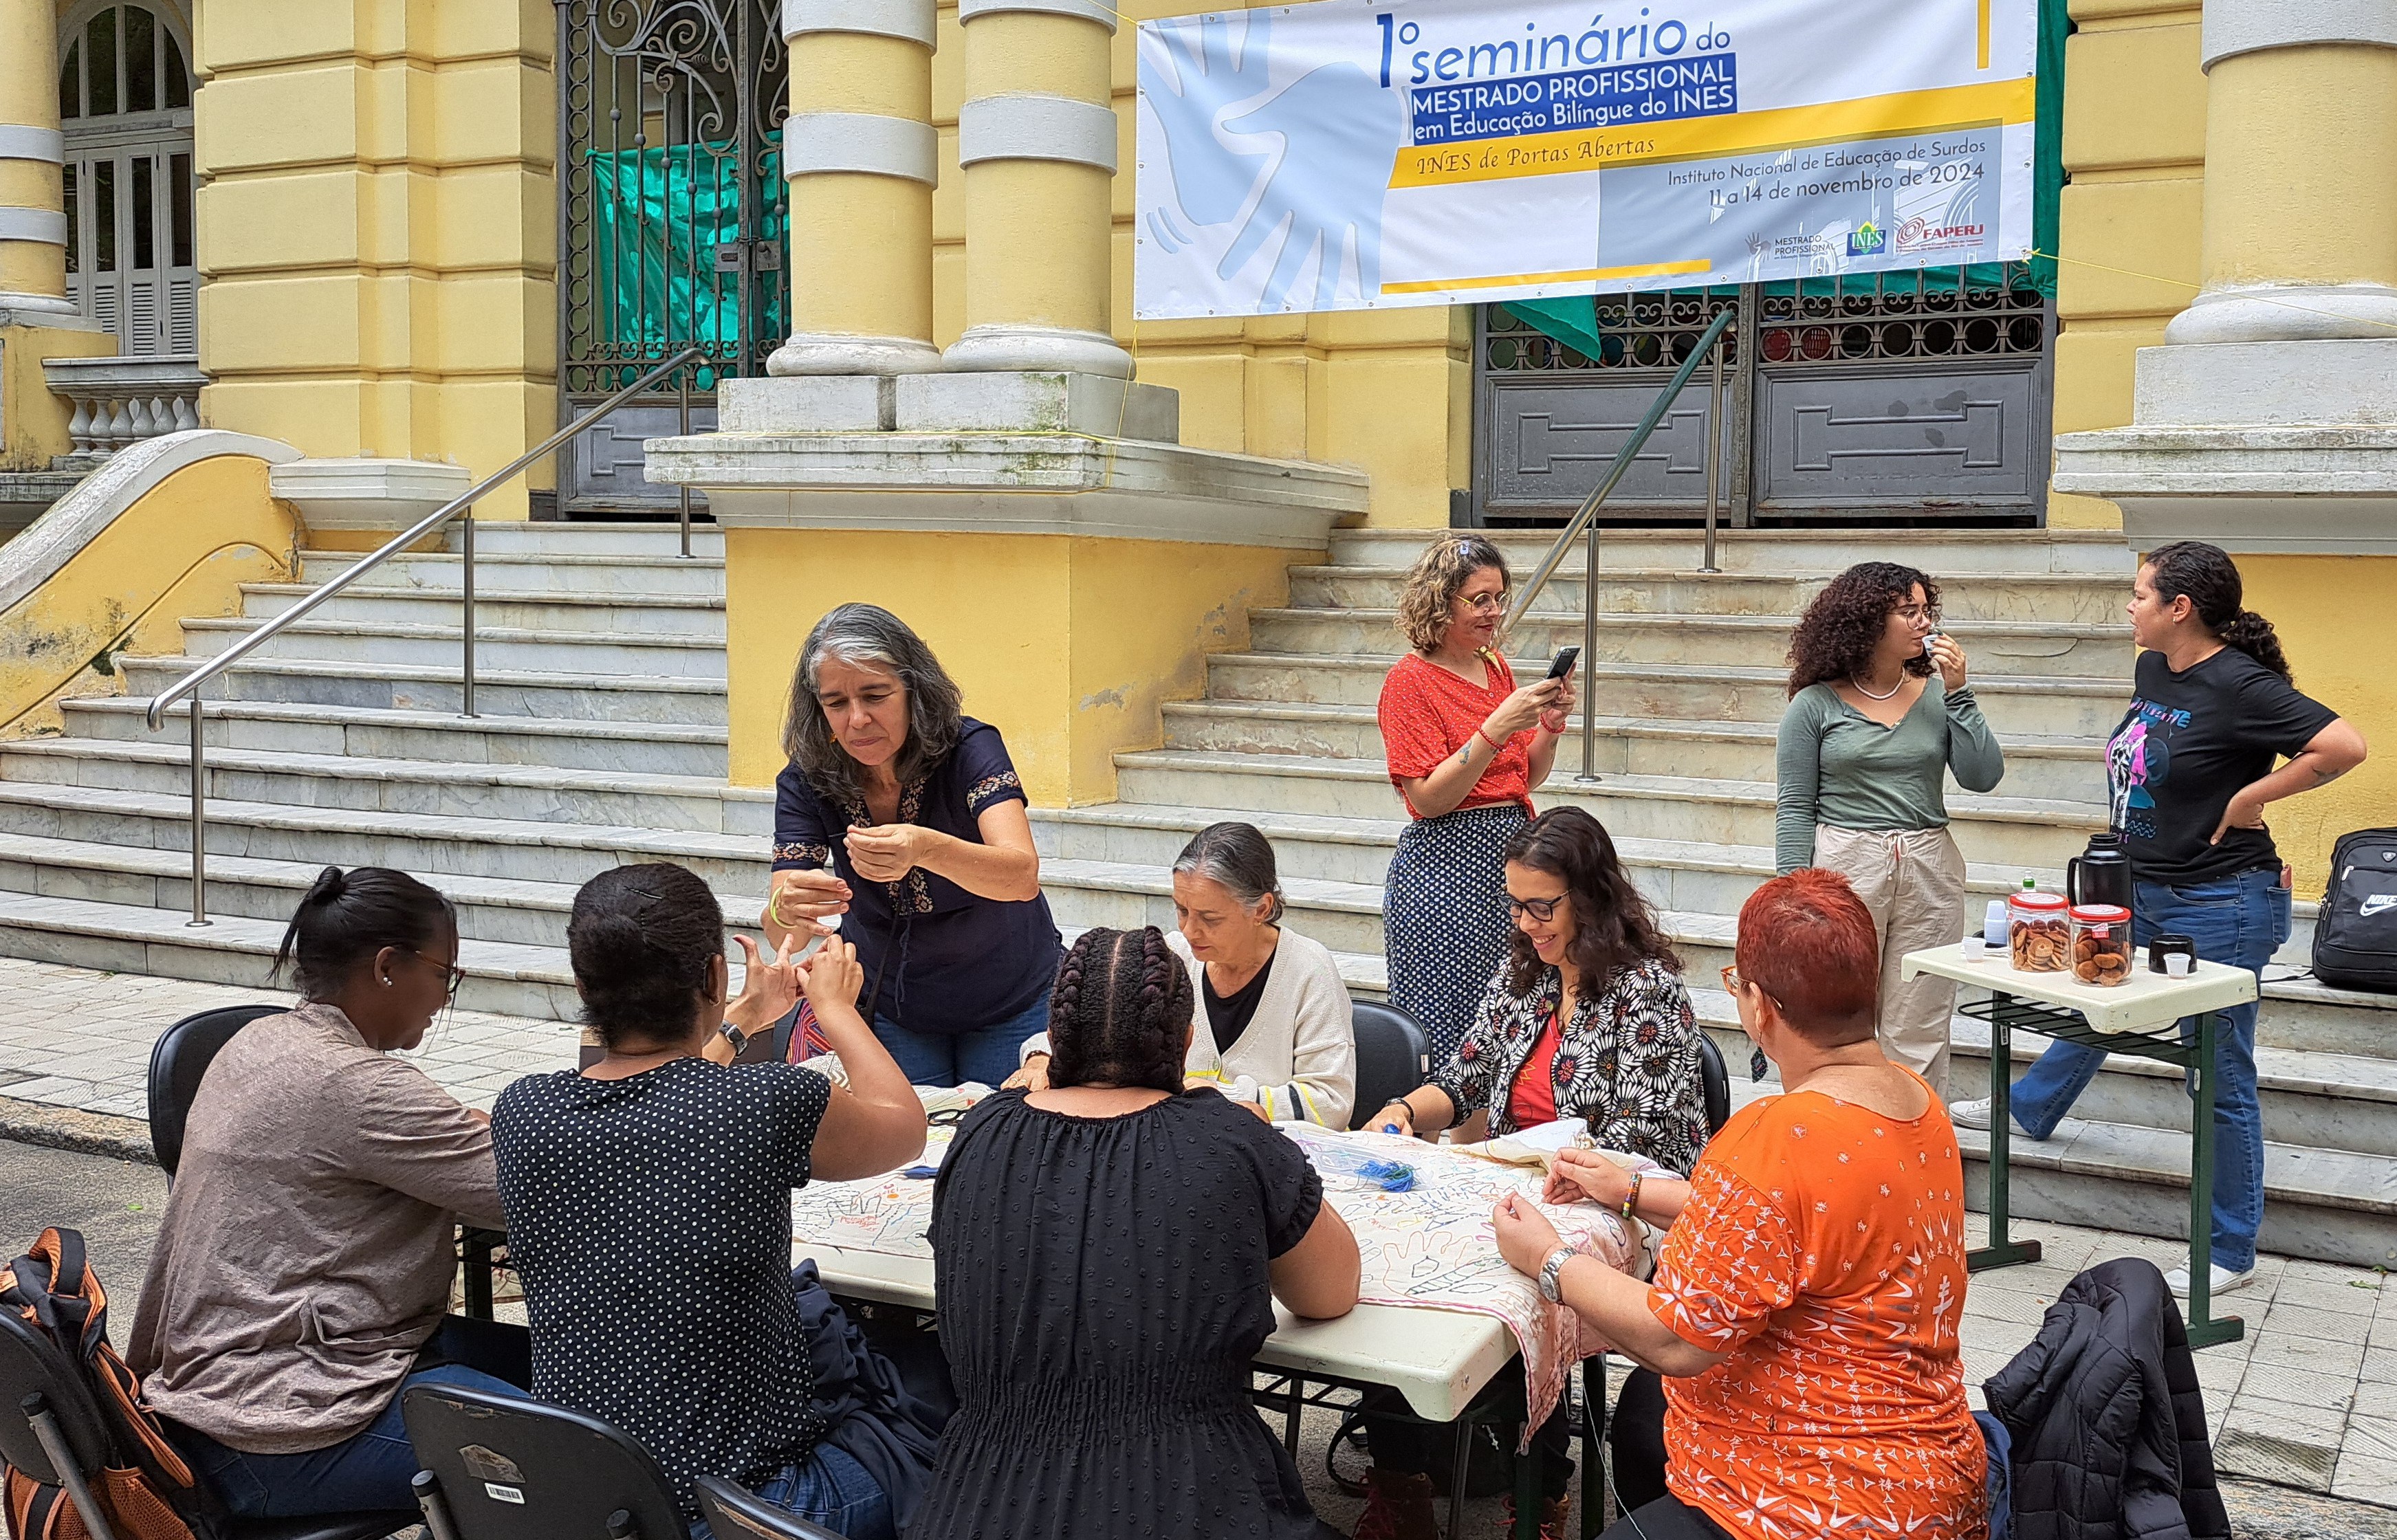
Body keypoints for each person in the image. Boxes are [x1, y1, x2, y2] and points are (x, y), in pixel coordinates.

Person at [1491, 869, 1985, 1540]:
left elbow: (1675, 1336)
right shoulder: (1916, 1103)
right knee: (1641, 1413)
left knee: (1649, 1399)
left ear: (1759, 1005)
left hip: (1819, 1498)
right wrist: (1629, 1188)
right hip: (1933, 1474)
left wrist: (1550, 1258)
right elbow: (1789, 1218)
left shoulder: (1773, 1138)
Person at [1954, 541, 2367, 1299]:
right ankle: (2031, 1109)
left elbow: (2343, 745)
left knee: (2218, 1074)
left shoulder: (2241, 684)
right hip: (2140, 886)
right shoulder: (2154, 669)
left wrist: (2250, 802)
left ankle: (2230, 1249)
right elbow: (2147, 763)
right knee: (2095, 1004)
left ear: (2181, 608)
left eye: (2141, 593)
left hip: (2220, 902)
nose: (2130, 603)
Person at [493, 864, 934, 1539]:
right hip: (745, 1508)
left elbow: (656, 1096)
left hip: (587, 1504)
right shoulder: (761, 1105)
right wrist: (835, 1009)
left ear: (582, 985)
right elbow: (902, 1126)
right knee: (943, 1426)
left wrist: (747, 1018)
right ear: (713, 975)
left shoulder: (524, 1112)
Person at [911, 926, 1361, 1540]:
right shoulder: (1230, 1139)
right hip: (1193, 1500)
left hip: (983, 1504)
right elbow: (1331, 1292)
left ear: (1055, 1039)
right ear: (1184, 1041)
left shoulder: (981, 1134)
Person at [129, 866, 528, 1520]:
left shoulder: (259, 1040)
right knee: (585, 1457)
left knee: (577, 1375)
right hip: (277, 1421)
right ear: (388, 967)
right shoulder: (355, 1086)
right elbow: (528, 1189)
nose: (444, 998)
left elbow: (444, 1139)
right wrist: (717, 1046)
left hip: (225, 1382)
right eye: (444, 975)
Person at [1355, 806, 1705, 1540]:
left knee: (1530, 1285)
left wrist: (1547, 1170)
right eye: (1514, 903)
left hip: (1620, 1206)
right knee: (1384, 1270)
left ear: (1590, 894)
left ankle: (1542, 1491)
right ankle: (1402, 1479)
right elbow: (1465, 1076)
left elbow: (1640, 1144)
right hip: (1520, 1189)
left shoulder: (1648, 992)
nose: (1525, 921)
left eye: (1540, 905)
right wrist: (1400, 1112)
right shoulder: (1523, 978)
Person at [765, 602, 1062, 1088]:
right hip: (895, 1005)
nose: (857, 719)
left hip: (1010, 996)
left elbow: (1021, 876)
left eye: (875, 695)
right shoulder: (808, 778)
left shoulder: (970, 748)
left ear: (914, 689)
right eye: (836, 703)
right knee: (909, 1151)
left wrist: (925, 848)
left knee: (999, 1140)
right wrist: (785, 908)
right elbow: (786, 933)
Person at [1775, 561, 2004, 1090]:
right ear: (1867, 621)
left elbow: (1983, 776)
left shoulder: (1936, 694)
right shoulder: (1814, 706)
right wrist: (1791, 893)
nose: (1924, 623)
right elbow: (1794, 806)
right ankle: (1837, 1136)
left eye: (1927, 610)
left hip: (1928, 863)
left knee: (1920, 1023)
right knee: (1833, 1017)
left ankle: (1915, 1151)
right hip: (1846, 866)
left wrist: (1960, 692)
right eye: (1909, 612)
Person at [1009, 821, 1358, 1126]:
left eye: (1210, 918)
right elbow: (1095, 1024)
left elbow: (1331, 1103)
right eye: (1182, 910)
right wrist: (1042, 1058)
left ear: (1262, 908)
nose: (1190, 930)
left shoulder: (1309, 970)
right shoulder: (1170, 957)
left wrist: (1221, 1096)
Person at [1378, 536, 1577, 1064]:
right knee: (1454, 1034)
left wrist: (1549, 730)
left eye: (1499, 597)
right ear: (1441, 601)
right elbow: (1428, 799)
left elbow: (1520, 778)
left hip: (1512, 856)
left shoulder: (1496, 667)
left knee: (1509, 1030)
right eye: (1479, 599)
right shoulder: (1409, 681)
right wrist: (1495, 728)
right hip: (1446, 866)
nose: (1494, 611)